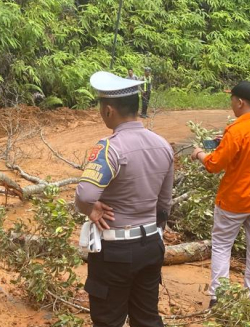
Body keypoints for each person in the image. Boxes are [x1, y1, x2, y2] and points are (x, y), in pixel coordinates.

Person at [75, 71, 175, 327]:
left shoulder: (110, 148)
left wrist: (91, 209)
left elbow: (85, 195)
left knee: (108, 320)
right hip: (151, 245)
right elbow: (164, 203)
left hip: (115, 250)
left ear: (108, 110)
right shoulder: (163, 145)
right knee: (147, 318)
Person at [190, 81, 250, 307]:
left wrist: (199, 153)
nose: (231, 104)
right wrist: (225, 143)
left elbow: (214, 165)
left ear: (240, 102)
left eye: (231, 99)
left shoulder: (237, 130)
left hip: (235, 201)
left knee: (222, 245)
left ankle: (218, 297)